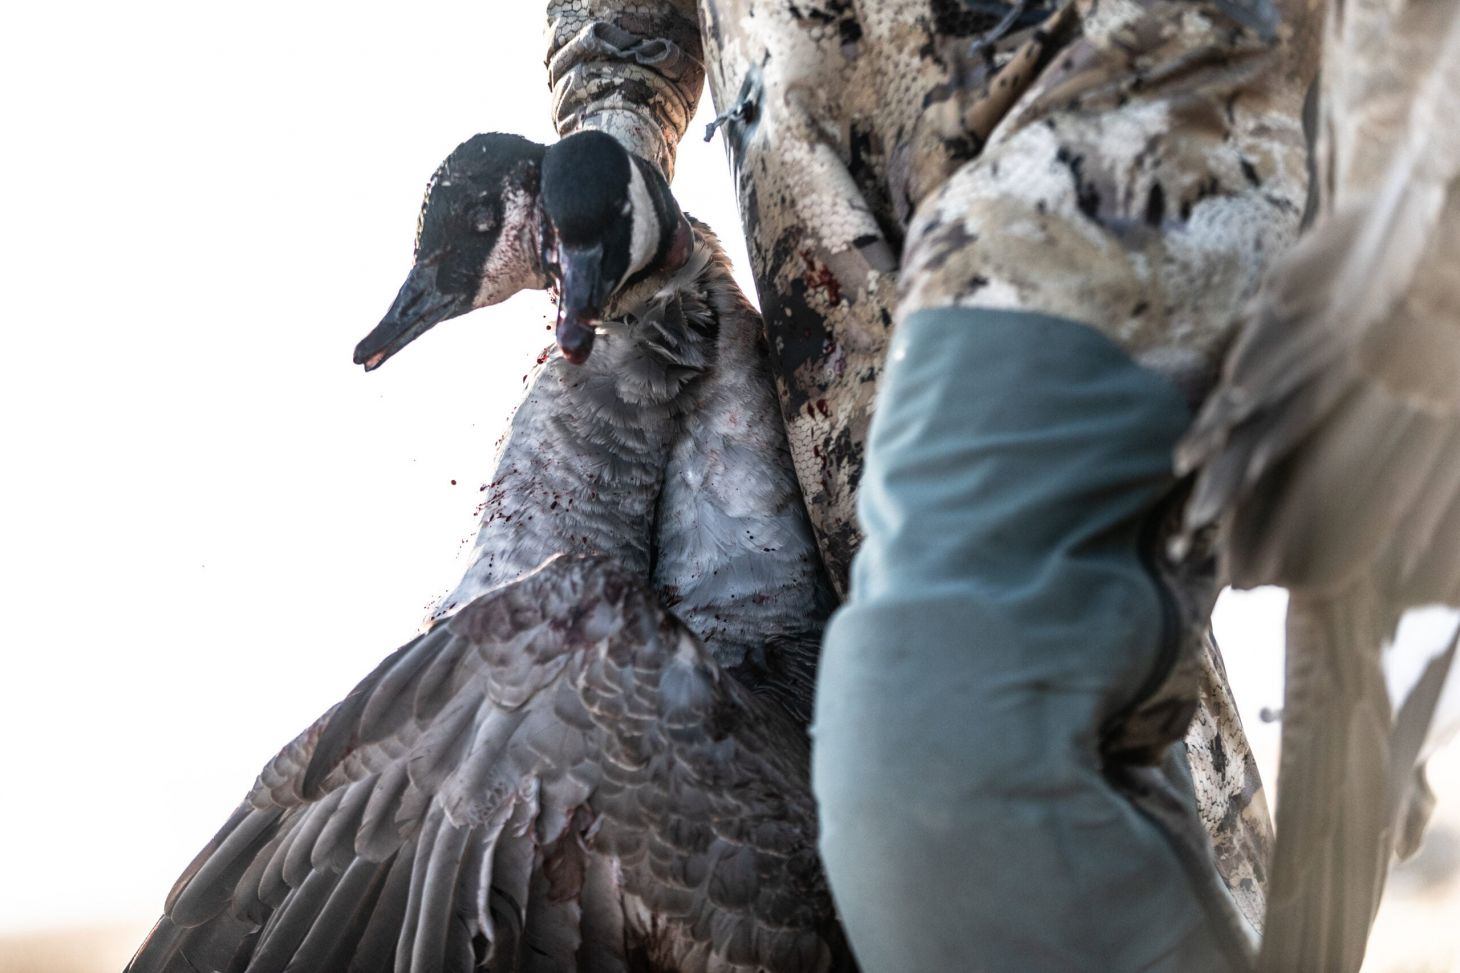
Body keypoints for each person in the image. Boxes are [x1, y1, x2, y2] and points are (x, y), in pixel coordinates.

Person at [545, 0, 1320, 967]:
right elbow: (618, 43)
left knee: (1041, 702)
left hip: (1076, 201)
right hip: (834, 351)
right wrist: (602, 182)